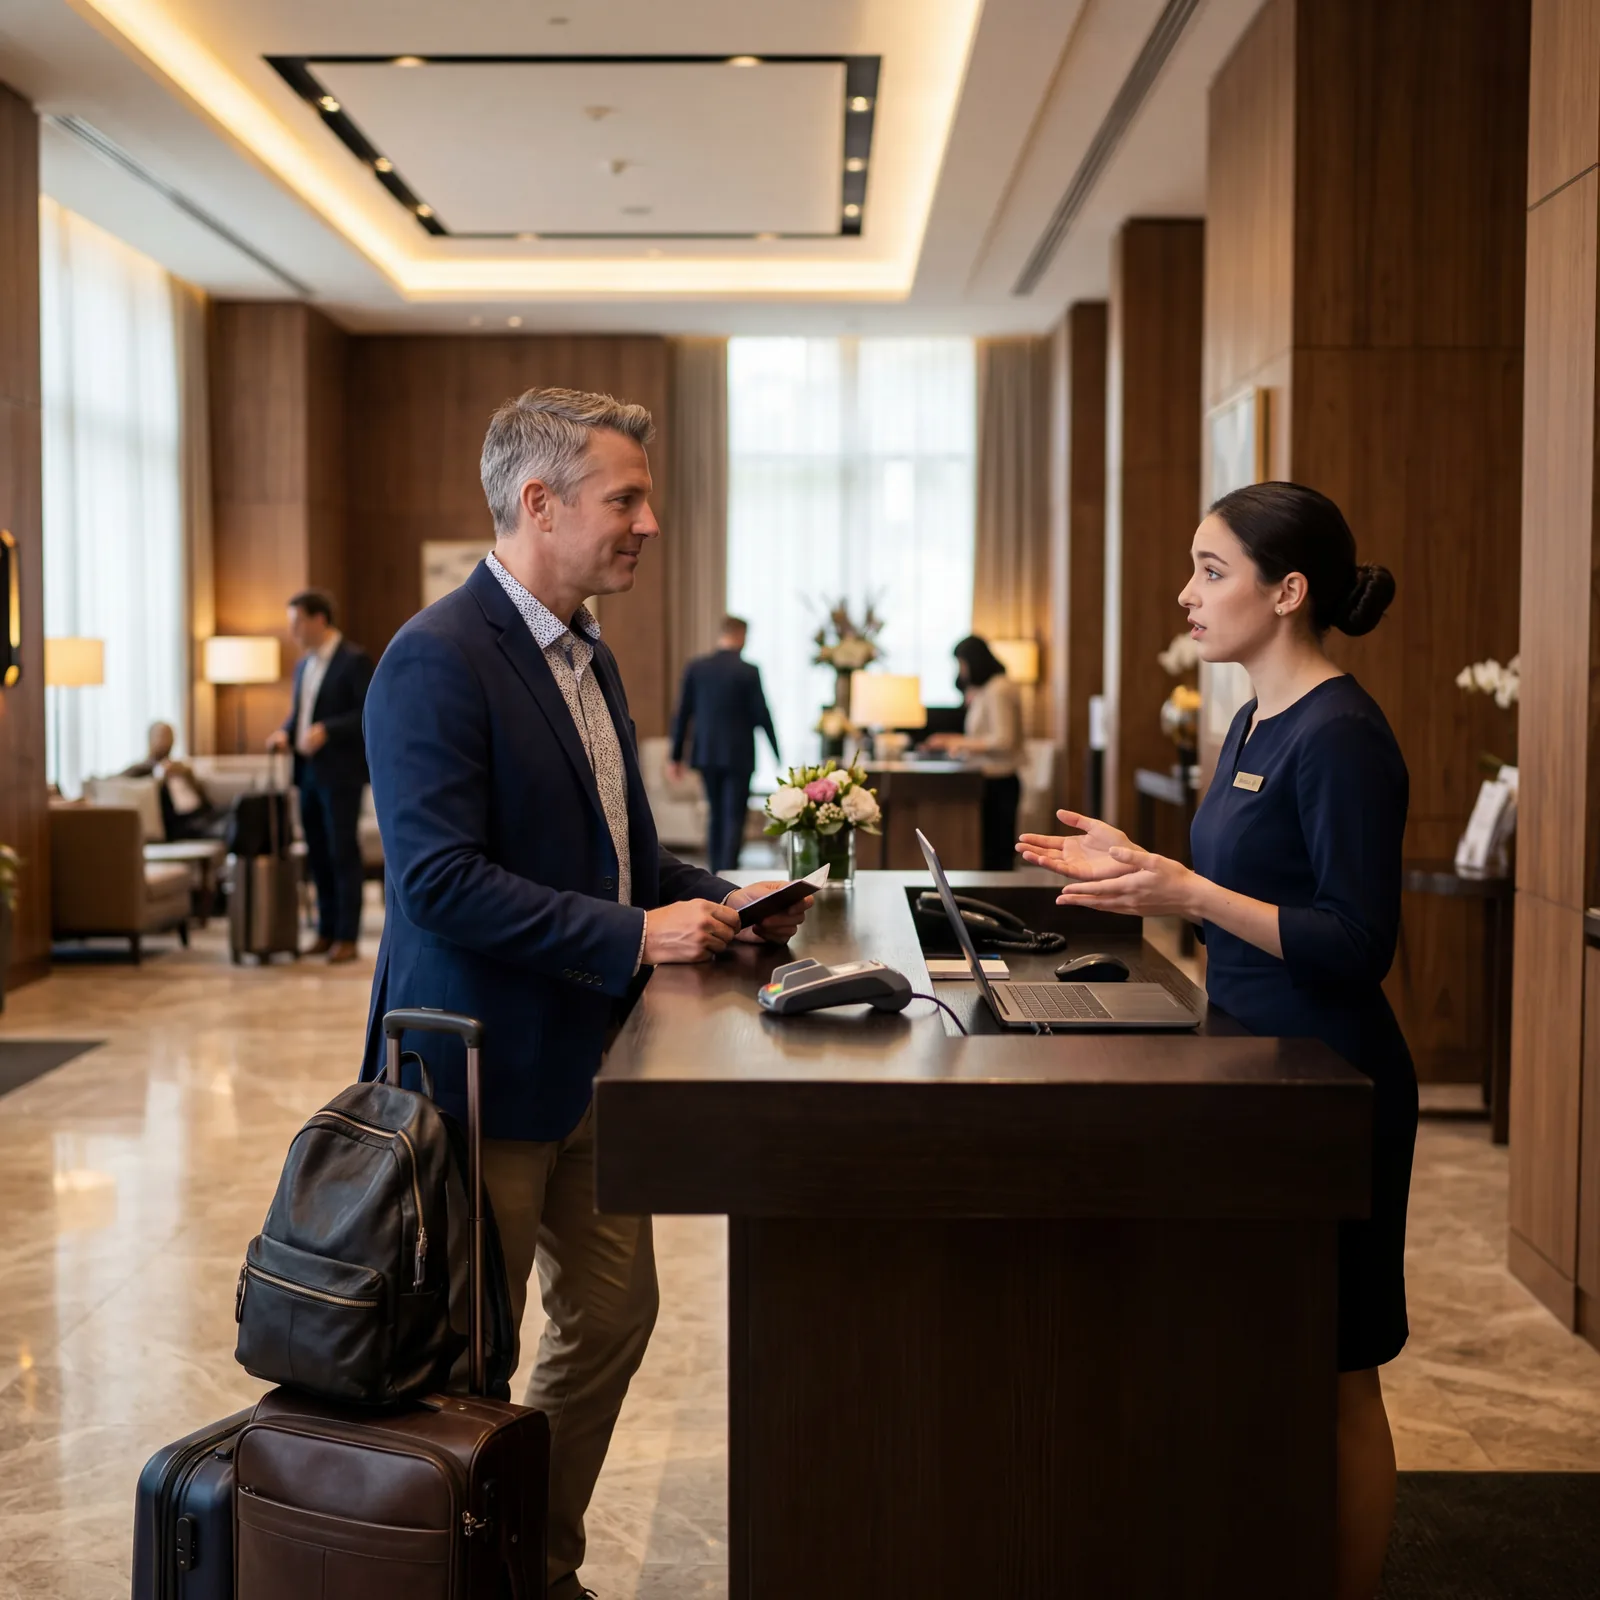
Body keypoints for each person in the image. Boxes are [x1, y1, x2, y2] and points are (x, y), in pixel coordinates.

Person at [360, 386, 812, 1600]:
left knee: (610, 1319)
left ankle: (527, 1558)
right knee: (469, 1363)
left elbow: (620, 853)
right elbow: (441, 884)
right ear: (538, 502)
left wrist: (733, 895)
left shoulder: (586, 650)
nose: (649, 523)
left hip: (593, 1066)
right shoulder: (433, 658)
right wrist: (635, 931)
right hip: (481, 1071)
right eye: (627, 497)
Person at [1017, 481, 1412, 1600]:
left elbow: (1351, 941)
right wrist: (1141, 869)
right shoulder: (1251, 717)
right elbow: (1242, 890)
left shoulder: (1340, 734)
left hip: (1335, 1088)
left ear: (1288, 593)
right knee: (1265, 1357)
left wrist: (1184, 891)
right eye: (1193, 567)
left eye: (1210, 570)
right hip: (1255, 1078)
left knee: (1338, 1375)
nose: (1185, 594)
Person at [266, 590, 373, 963]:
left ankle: (347, 936)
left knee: (343, 852)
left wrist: (327, 729)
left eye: (297, 622)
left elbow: (365, 712)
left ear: (319, 620)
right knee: (318, 854)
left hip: (340, 773)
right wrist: (285, 732)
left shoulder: (354, 661)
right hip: (307, 772)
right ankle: (326, 931)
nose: (292, 631)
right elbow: (301, 714)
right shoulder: (303, 666)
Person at [667, 615, 780, 873]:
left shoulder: (697, 667)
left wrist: (675, 757)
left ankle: (716, 869)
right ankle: (729, 871)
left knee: (716, 815)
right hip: (740, 755)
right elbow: (762, 714)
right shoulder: (749, 671)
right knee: (734, 816)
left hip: (706, 752)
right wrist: (777, 752)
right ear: (741, 636)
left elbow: (682, 714)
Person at [924, 634, 1023, 870]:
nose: (961, 670)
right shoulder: (986, 690)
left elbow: (1004, 739)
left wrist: (957, 742)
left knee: (997, 856)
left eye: (962, 664)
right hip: (988, 779)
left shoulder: (998, 689)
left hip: (1000, 781)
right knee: (988, 854)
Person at [122, 721, 227, 840]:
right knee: (226, 825)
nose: (167, 741)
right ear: (150, 739)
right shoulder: (141, 769)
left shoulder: (181, 767)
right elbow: (117, 781)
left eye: (170, 736)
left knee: (240, 809)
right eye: (162, 736)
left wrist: (187, 772)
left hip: (203, 812)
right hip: (181, 822)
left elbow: (201, 794)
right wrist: (158, 775)